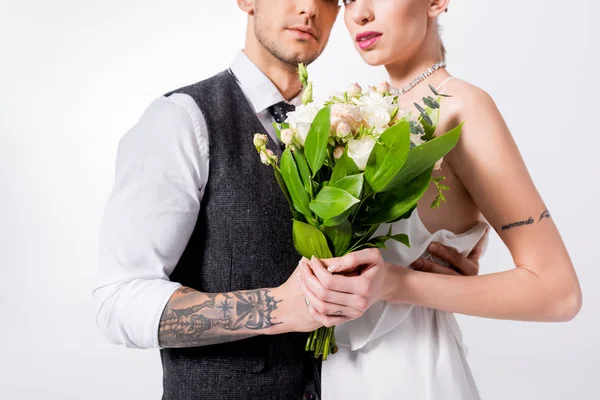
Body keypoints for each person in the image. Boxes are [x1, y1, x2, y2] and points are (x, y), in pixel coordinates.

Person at [92, 1, 481, 399]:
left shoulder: (341, 128)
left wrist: (423, 263)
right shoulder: (181, 120)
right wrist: (277, 307)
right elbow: (118, 301)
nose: (309, 8)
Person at [297, 0, 582, 399]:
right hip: (338, 371)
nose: (360, 14)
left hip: (413, 374)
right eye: (348, 0)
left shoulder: (462, 107)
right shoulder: (357, 112)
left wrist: (397, 284)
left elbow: (557, 292)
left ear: (436, 3)